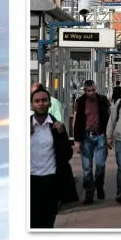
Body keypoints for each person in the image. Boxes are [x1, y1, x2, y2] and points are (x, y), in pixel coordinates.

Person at [30, 87, 77, 228]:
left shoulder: (57, 127)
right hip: (30, 181)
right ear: (31, 105)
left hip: (51, 180)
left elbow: (67, 155)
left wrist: (62, 134)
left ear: (50, 104)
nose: (41, 103)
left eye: (44, 100)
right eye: (37, 101)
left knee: (47, 221)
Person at [73, 80, 110, 204]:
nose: (91, 93)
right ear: (85, 90)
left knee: (100, 166)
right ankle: (89, 193)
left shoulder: (103, 100)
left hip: (100, 136)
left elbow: (110, 118)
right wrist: (76, 141)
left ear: (96, 88)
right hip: (86, 138)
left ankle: (99, 186)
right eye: (89, 91)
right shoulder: (80, 102)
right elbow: (76, 121)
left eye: (93, 90)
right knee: (87, 168)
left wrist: (109, 136)